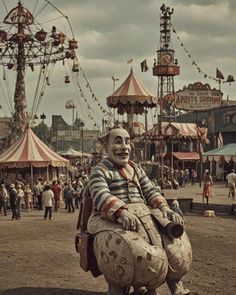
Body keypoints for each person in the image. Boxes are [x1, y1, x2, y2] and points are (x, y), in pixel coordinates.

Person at [86, 127, 192, 295]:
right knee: (127, 249)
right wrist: (121, 212)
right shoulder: (100, 170)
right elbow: (101, 194)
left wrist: (165, 208)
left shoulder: (135, 168)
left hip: (144, 214)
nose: (124, 147)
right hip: (112, 217)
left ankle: (176, 287)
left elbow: (150, 190)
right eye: (118, 141)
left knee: (173, 244)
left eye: (127, 142)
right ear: (107, 146)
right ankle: (121, 288)